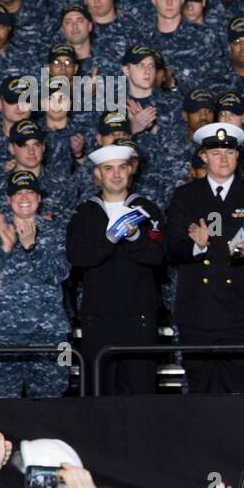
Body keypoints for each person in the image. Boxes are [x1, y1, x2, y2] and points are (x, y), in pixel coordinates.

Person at [165, 123, 244, 393]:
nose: (223, 159)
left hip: (239, 312)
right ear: (203, 157)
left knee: (240, 393)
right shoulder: (185, 197)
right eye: (215, 153)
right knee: (201, 393)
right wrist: (197, 247)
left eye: (229, 152)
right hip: (198, 313)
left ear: (238, 156)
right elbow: (170, 250)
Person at [66, 144, 167, 396]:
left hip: (139, 318)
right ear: (98, 174)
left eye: (122, 167)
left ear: (130, 171)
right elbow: (77, 257)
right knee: (100, 392)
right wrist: (109, 239)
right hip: (98, 319)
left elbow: (158, 255)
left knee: (141, 392)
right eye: (108, 168)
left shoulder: (146, 210)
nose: (116, 174)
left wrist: (135, 239)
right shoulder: (84, 212)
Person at [0, 172, 71, 398]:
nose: (24, 197)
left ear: (39, 198)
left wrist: (32, 246)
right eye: (18, 192)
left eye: (30, 191)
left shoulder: (55, 231)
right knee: (1, 409)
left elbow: (60, 273)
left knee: (49, 407)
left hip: (47, 333)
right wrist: (3, 248)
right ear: (8, 199)